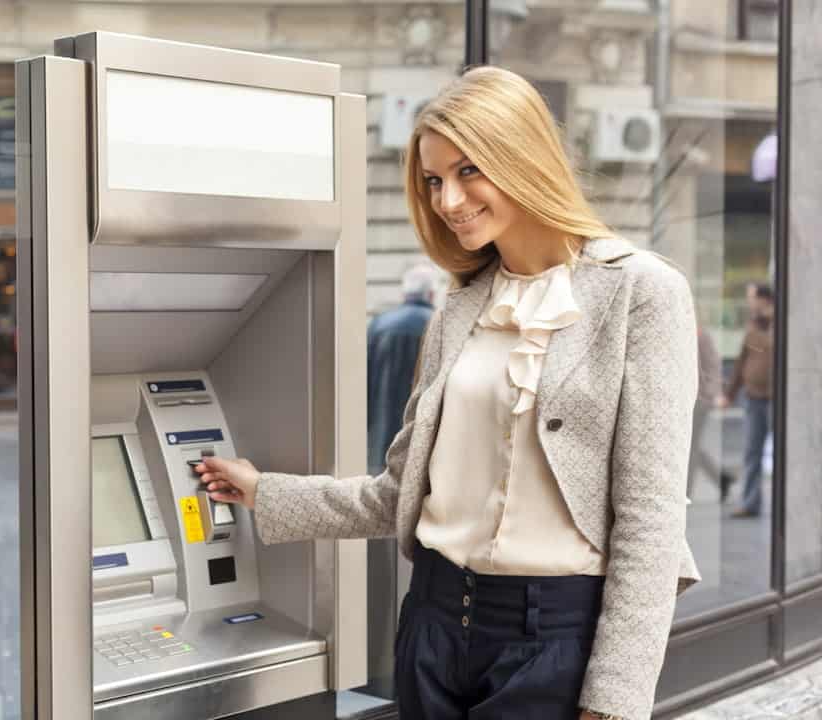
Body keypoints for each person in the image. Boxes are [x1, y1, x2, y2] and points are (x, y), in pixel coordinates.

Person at [195, 66, 699, 720]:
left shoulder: (642, 293)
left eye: (467, 172)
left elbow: (650, 520)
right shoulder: (460, 308)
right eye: (433, 180)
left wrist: (614, 700)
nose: (447, 201)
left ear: (522, 159)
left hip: (553, 637)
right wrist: (265, 491)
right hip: (433, 622)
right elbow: (398, 491)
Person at [367, 264, 439, 474]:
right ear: (432, 294)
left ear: (404, 292)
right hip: (421, 435)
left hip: (381, 432)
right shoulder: (438, 324)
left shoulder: (379, 324)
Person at [719, 282, 774, 518]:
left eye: (751, 297)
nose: (749, 301)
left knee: (785, 452)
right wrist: (730, 393)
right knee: (752, 451)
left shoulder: (781, 322)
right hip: (753, 397)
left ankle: (788, 506)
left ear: (764, 298)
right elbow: (743, 360)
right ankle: (750, 502)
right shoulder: (754, 325)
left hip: (776, 399)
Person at [687, 323, 733, 501]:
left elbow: (713, 366)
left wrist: (712, 395)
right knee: (692, 446)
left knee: (690, 446)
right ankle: (722, 479)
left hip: (700, 400)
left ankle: (686, 492)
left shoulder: (701, 336)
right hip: (689, 399)